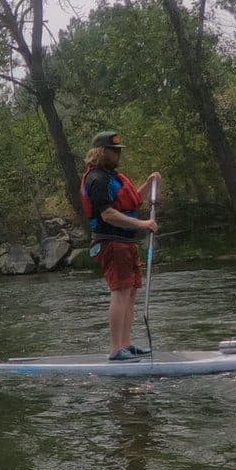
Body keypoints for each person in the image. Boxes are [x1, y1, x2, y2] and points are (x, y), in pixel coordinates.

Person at [81, 131, 162, 362]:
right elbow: (108, 215)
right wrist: (143, 224)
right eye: (114, 150)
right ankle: (116, 350)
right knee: (120, 292)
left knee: (131, 293)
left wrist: (148, 184)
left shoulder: (113, 178)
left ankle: (126, 344)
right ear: (100, 152)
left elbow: (131, 200)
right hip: (110, 243)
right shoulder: (97, 179)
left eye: (119, 151)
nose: (118, 154)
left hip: (126, 243)